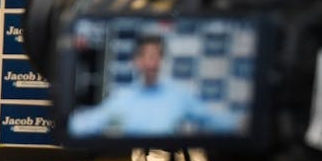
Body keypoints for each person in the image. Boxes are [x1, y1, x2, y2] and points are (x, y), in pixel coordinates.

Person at [68, 35, 240, 138]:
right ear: (138, 61)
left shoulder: (178, 94)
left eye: (157, 57)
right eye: (148, 57)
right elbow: (88, 123)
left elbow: (214, 119)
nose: (152, 63)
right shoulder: (124, 97)